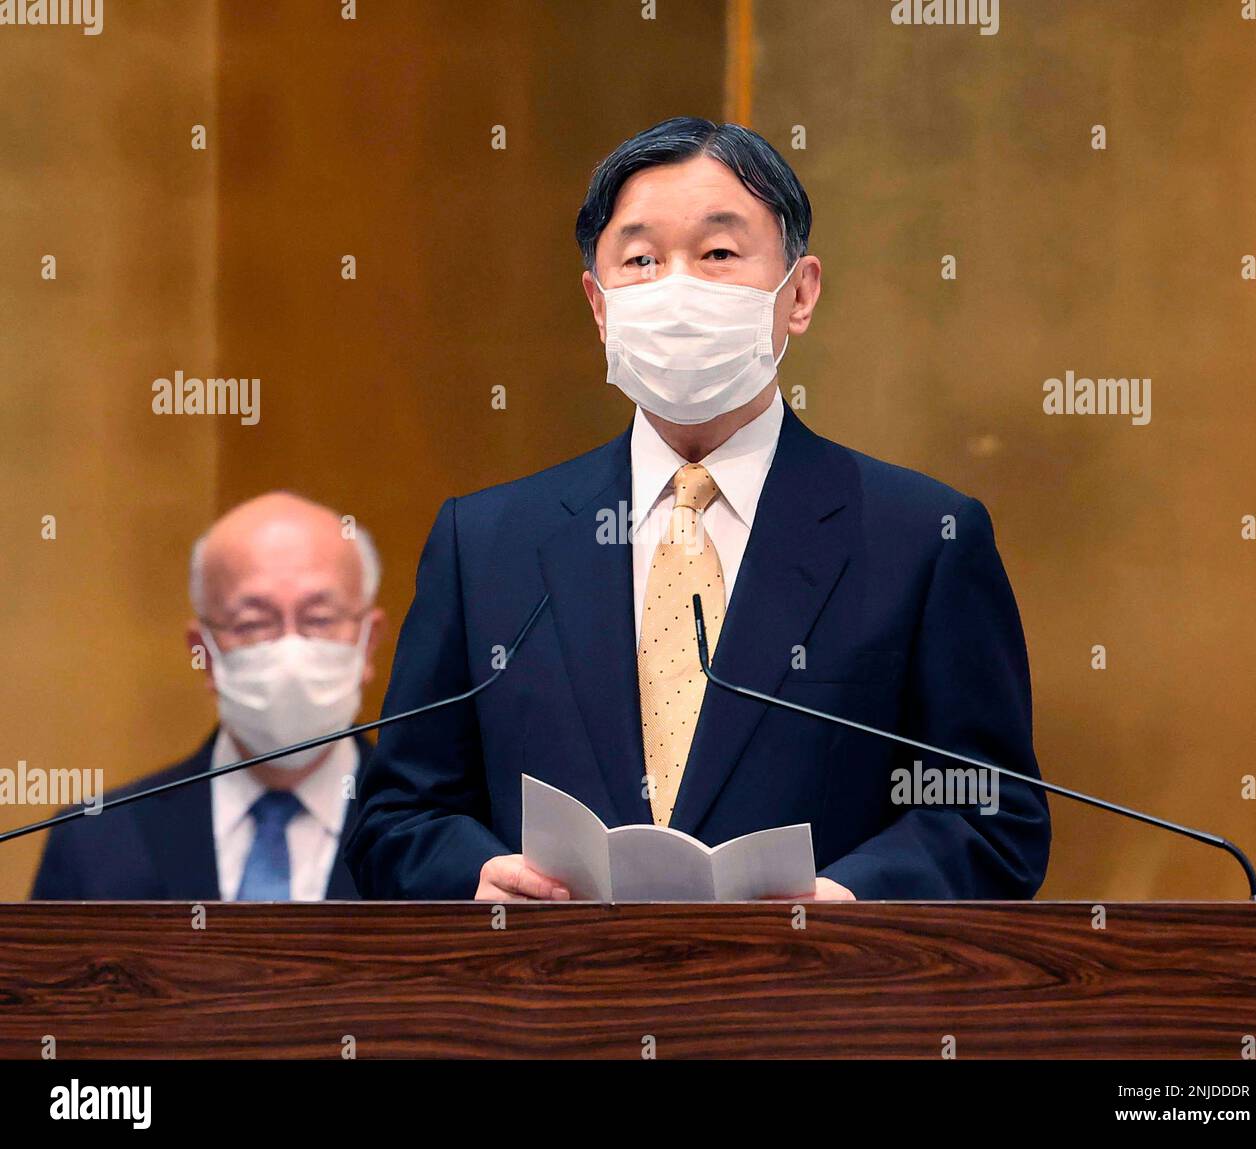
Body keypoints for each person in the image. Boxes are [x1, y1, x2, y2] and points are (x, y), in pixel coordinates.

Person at [344, 116, 1050, 901]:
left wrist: (855, 899)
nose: (676, 288)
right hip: (553, 1007)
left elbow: (990, 814)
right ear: (599, 303)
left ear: (801, 293)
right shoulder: (487, 546)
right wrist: (474, 875)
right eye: (641, 260)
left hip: (813, 1006)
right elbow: (398, 814)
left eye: (718, 254)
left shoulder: (921, 539)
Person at [31, 492, 386, 901]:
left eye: (319, 619)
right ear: (203, 651)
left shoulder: (433, 834)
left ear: (368, 641)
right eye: (253, 623)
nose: (291, 651)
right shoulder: (94, 842)